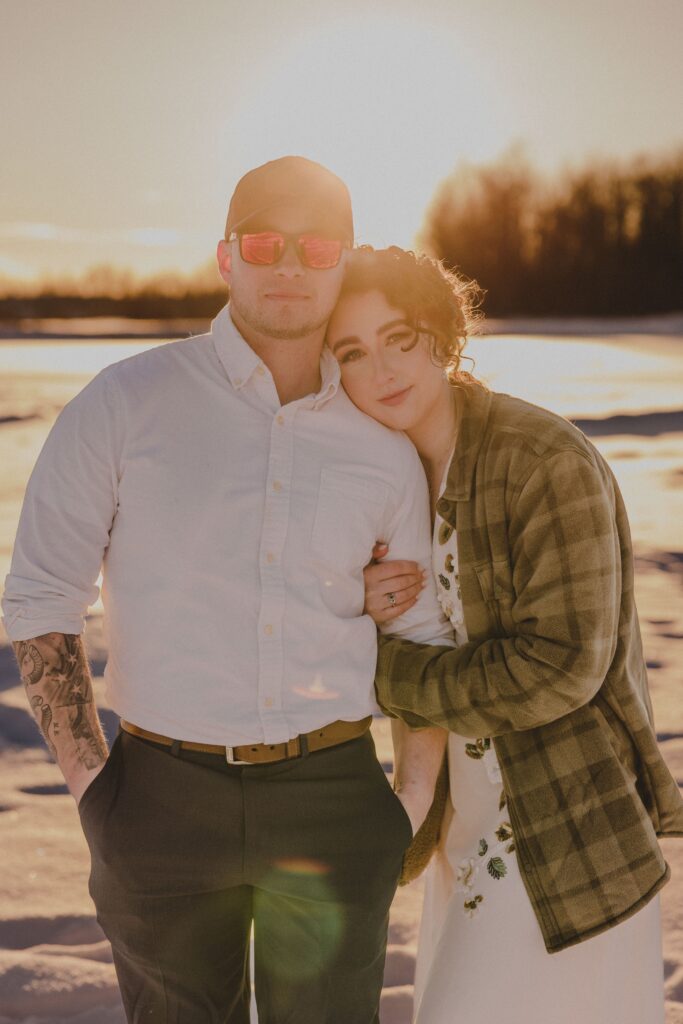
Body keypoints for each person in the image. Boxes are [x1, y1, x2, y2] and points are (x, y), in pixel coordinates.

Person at [1, 159, 452, 1024]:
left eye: (315, 246)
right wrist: (96, 791)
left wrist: (411, 800)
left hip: (333, 795)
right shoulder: (125, 404)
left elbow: (422, 628)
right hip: (161, 801)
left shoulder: (380, 444)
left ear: (341, 262)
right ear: (225, 258)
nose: (288, 265)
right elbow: (41, 598)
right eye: (263, 243)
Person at [326, 245, 683, 1023]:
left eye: (399, 337)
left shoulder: (539, 458)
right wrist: (351, 601)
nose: (380, 369)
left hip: (565, 831)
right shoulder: (384, 480)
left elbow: (559, 667)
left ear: (442, 334)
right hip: (466, 832)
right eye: (352, 352)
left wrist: (384, 670)